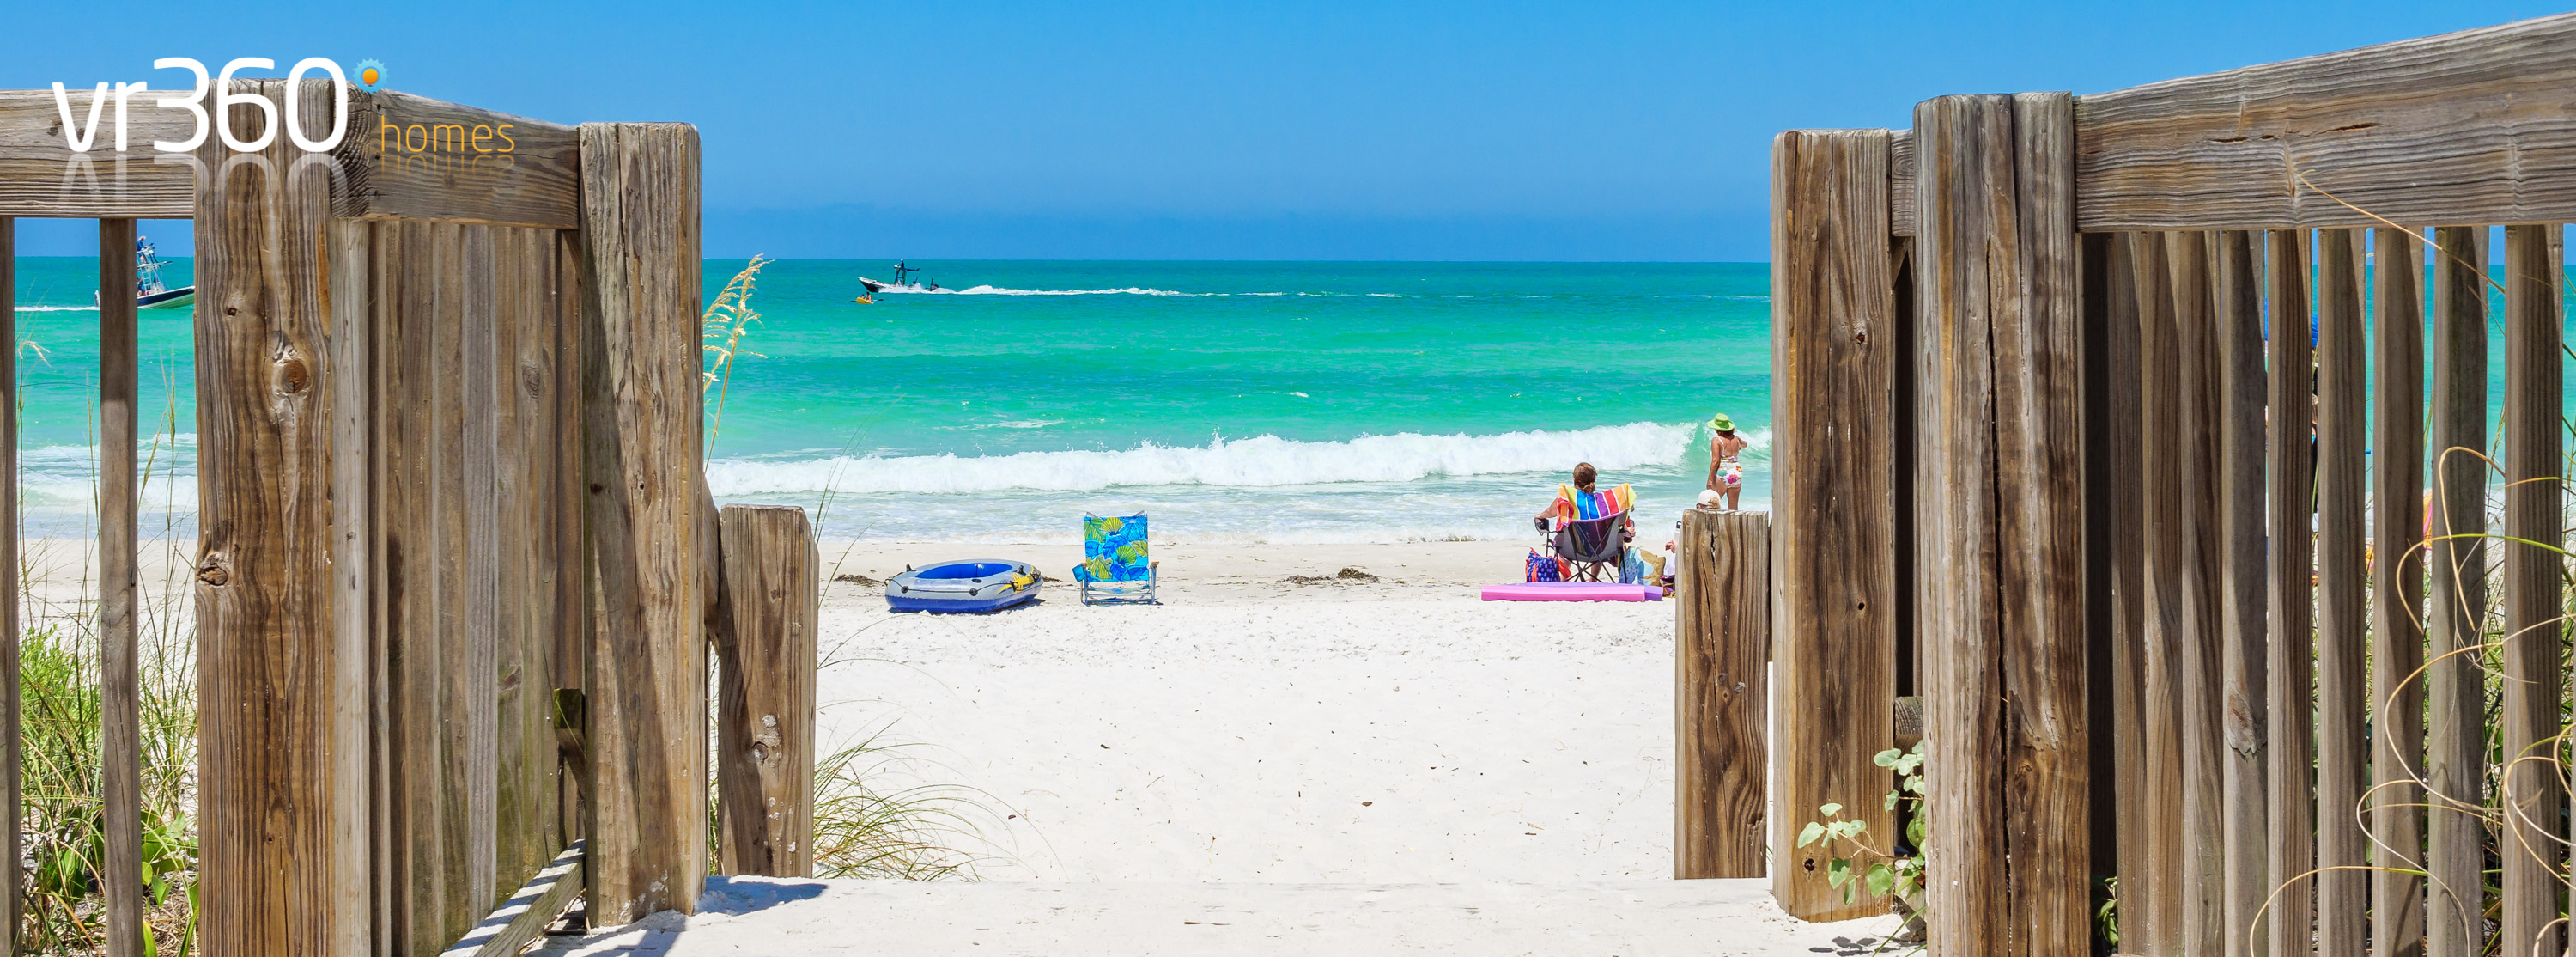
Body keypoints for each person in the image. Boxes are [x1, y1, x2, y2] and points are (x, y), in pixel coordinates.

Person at [1704, 413, 1749, 510]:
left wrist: (1710, 479)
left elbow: (1715, 461)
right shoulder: (1736, 439)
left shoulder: (1717, 440)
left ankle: (1714, 525)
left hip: (1722, 472)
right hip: (1736, 472)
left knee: (1712, 505)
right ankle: (1733, 525)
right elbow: (1745, 444)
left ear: (1717, 429)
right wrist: (1738, 447)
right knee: (1733, 507)